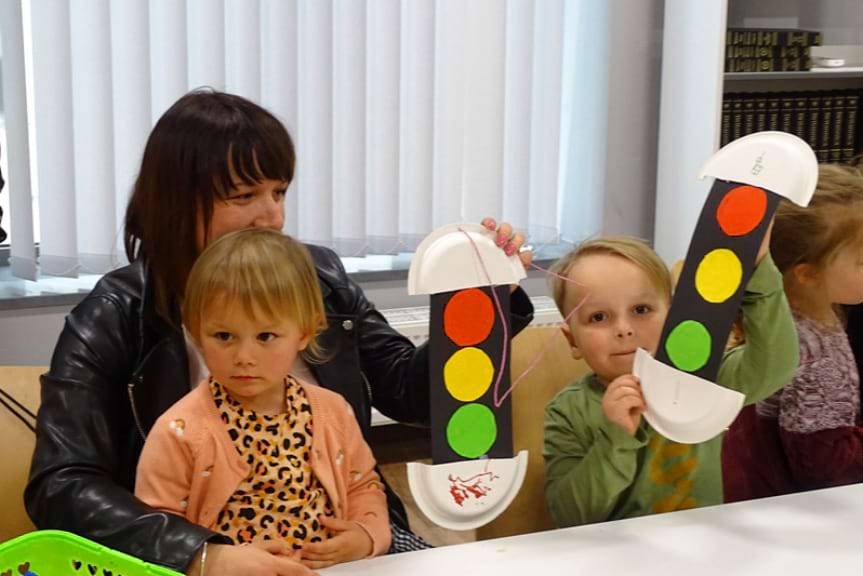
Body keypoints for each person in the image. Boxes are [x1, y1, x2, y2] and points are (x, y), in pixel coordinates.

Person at [25, 89, 535, 575]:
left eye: (279, 191)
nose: (273, 216)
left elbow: (413, 394)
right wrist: (202, 555)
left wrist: (487, 298)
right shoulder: (115, 313)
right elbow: (62, 484)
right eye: (245, 195)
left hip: (344, 546)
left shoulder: (318, 280)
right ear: (176, 204)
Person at [136, 228, 389, 572]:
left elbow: (363, 485)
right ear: (195, 332)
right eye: (224, 335)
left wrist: (364, 534)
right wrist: (207, 561)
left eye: (266, 336)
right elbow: (154, 528)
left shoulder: (332, 412)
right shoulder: (178, 430)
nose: (244, 356)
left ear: (305, 332)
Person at [543, 233, 797, 526]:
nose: (624, 329)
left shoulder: (701, 378)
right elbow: (569, 516)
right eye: (599, 317)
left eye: (641, 310)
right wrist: (616, 438)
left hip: (702, 547)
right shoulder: (567, 411)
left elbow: (775, 366)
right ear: (572, 339)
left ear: (672, 317)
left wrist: (758, 273)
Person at [723, 164, 863, 502]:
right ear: (808, 274)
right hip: (781, 512)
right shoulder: (816, 357)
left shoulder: (794, 317)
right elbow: (824, 468)